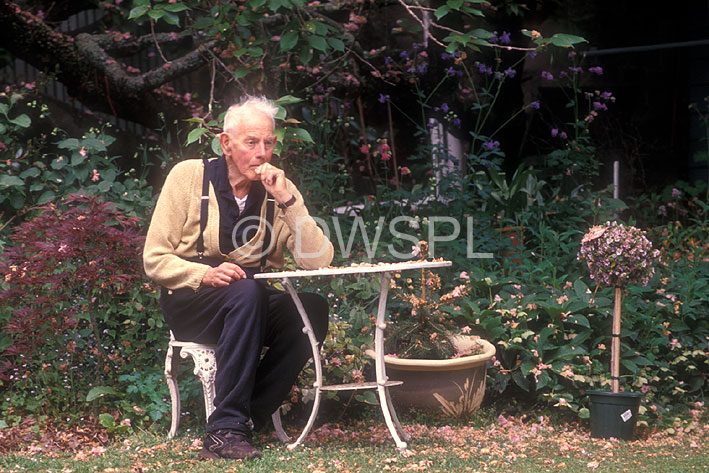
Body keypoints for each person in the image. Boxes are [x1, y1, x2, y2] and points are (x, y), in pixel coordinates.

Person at [143, 96, 334, 460]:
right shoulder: (188, 176)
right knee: (247, 290)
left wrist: (288, 202)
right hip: (192, 304)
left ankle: (243, 421)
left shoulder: (279, 189)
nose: (262, 153)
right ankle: (225, 429)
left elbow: (318, 259)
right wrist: (204, 273)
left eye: (269, 143)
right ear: (226, 144)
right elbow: (154, 260)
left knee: (310, 309)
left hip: (250, 306)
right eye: (251, 142)